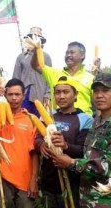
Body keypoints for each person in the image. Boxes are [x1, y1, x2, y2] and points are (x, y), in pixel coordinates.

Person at [49, 71, 111, 207]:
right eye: (96, 91)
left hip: (105, 201)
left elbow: (107, 166)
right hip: (86, 199)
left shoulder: (87, 120)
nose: (99, 95)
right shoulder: (96, 122)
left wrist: (71, 162)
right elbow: (88, 153)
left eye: (105, 90)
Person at [34, 76, 93, 208]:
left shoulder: (85, 119)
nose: (61, 96)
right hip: (48, 181)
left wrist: (66, 145)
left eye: (66, 92)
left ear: (76, 95)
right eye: (58, 92)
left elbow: (84, 150)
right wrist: (40, 145)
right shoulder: (48, 115)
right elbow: (37, 138)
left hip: (72, 182)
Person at [0, 78, 39, 207]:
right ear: (5, 95)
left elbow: (34, 153)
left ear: (23, 96)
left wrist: (34, 179)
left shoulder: (31, 119)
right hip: (3, 177)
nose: (14, 98)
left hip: (25, 180)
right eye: (10, 94)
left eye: (17, 94)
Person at [32, 41, 94, 116]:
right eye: (67, 53)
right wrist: (36, 52)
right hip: (59, 121)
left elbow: (98, 102)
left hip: (84, 123)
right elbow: (36, 65)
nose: (68, 55)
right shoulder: (54, 73)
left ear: (82, 55)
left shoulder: (90, 78)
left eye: (72, 52)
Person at [13, 26, 52, 117]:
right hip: (24, 94)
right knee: (23, 119)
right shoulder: (21, 57)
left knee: (39, 122)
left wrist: (48, 94)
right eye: (32, 37)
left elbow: (49, 78)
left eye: (37, 38)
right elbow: (16, 77)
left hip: (40, 94)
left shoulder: (46, 57)